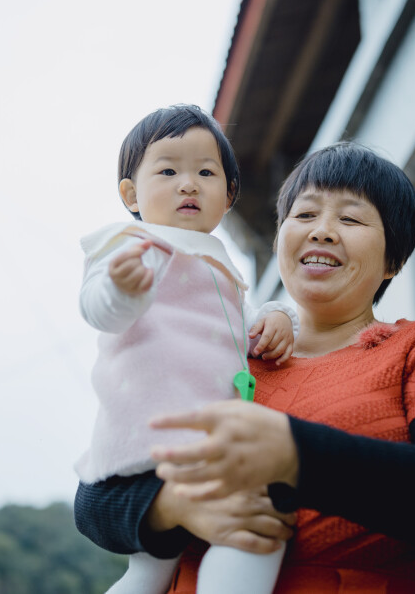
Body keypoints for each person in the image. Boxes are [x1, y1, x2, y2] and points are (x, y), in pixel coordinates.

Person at [75, 142, 415, 593]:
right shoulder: (226, 351)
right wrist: (174, 508)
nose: (321, 231)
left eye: (351, 219)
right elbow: (96, 496)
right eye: (304, 216)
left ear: (393, 261)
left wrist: (295, 454)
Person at [76, 104, 299, 594]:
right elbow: (98, 310)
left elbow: (241, 322)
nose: (188, 183)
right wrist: (122, 289)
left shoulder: (220, 265)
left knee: (150, 572)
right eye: (169, 170)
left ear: (229, 195)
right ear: (131, 194)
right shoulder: (130, 244)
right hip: (152, 429)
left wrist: (278, 316)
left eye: (205, 172)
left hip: (197, 435)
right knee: (253, 526)